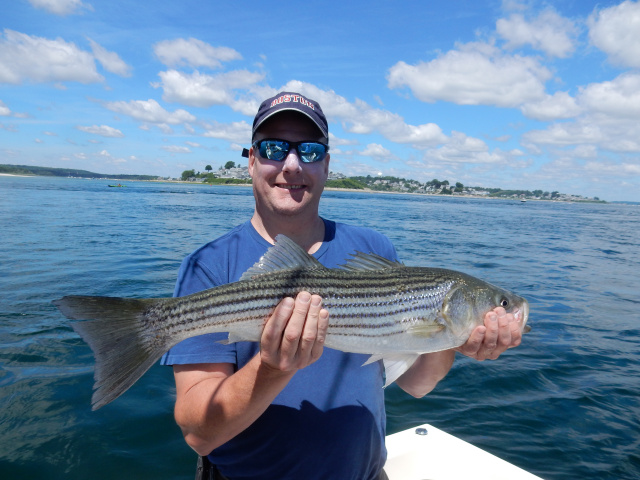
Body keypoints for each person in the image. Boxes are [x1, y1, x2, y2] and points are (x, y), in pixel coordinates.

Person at [160, 92, 522, 480]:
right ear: (251, 160)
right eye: (274, 148)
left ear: (327, 165)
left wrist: (455, 338)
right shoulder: (208, 264)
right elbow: (199, 434)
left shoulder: (374, 248)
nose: (293, 165)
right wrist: (271, 368)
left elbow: (418, 383)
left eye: (311, 151)